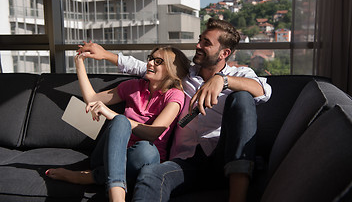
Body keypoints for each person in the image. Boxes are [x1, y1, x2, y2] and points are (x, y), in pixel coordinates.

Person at [77, 18, 272, 202]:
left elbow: (264, 89)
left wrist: (223, 80)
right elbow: (144, 67)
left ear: (224, 53)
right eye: (199, 40)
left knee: (243, 97)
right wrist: (104, 55)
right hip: (186, 163)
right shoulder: (185, 76)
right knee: (151, 174)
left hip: (222, 158)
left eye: (206, 43)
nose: (198, 46)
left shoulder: (239, 74)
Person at [46, 46, 190, 202]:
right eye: (150, 58)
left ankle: (91, 177)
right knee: (121, 121)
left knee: (147, 150)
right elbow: (92, 99)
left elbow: (154, 133)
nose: (150, 63)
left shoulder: (175, 95)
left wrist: (111, 114)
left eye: (158, 61)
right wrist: (79, 64)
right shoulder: (133, 86)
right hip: (108, 155)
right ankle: (116, 197)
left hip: (141, 161)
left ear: (171, 69)